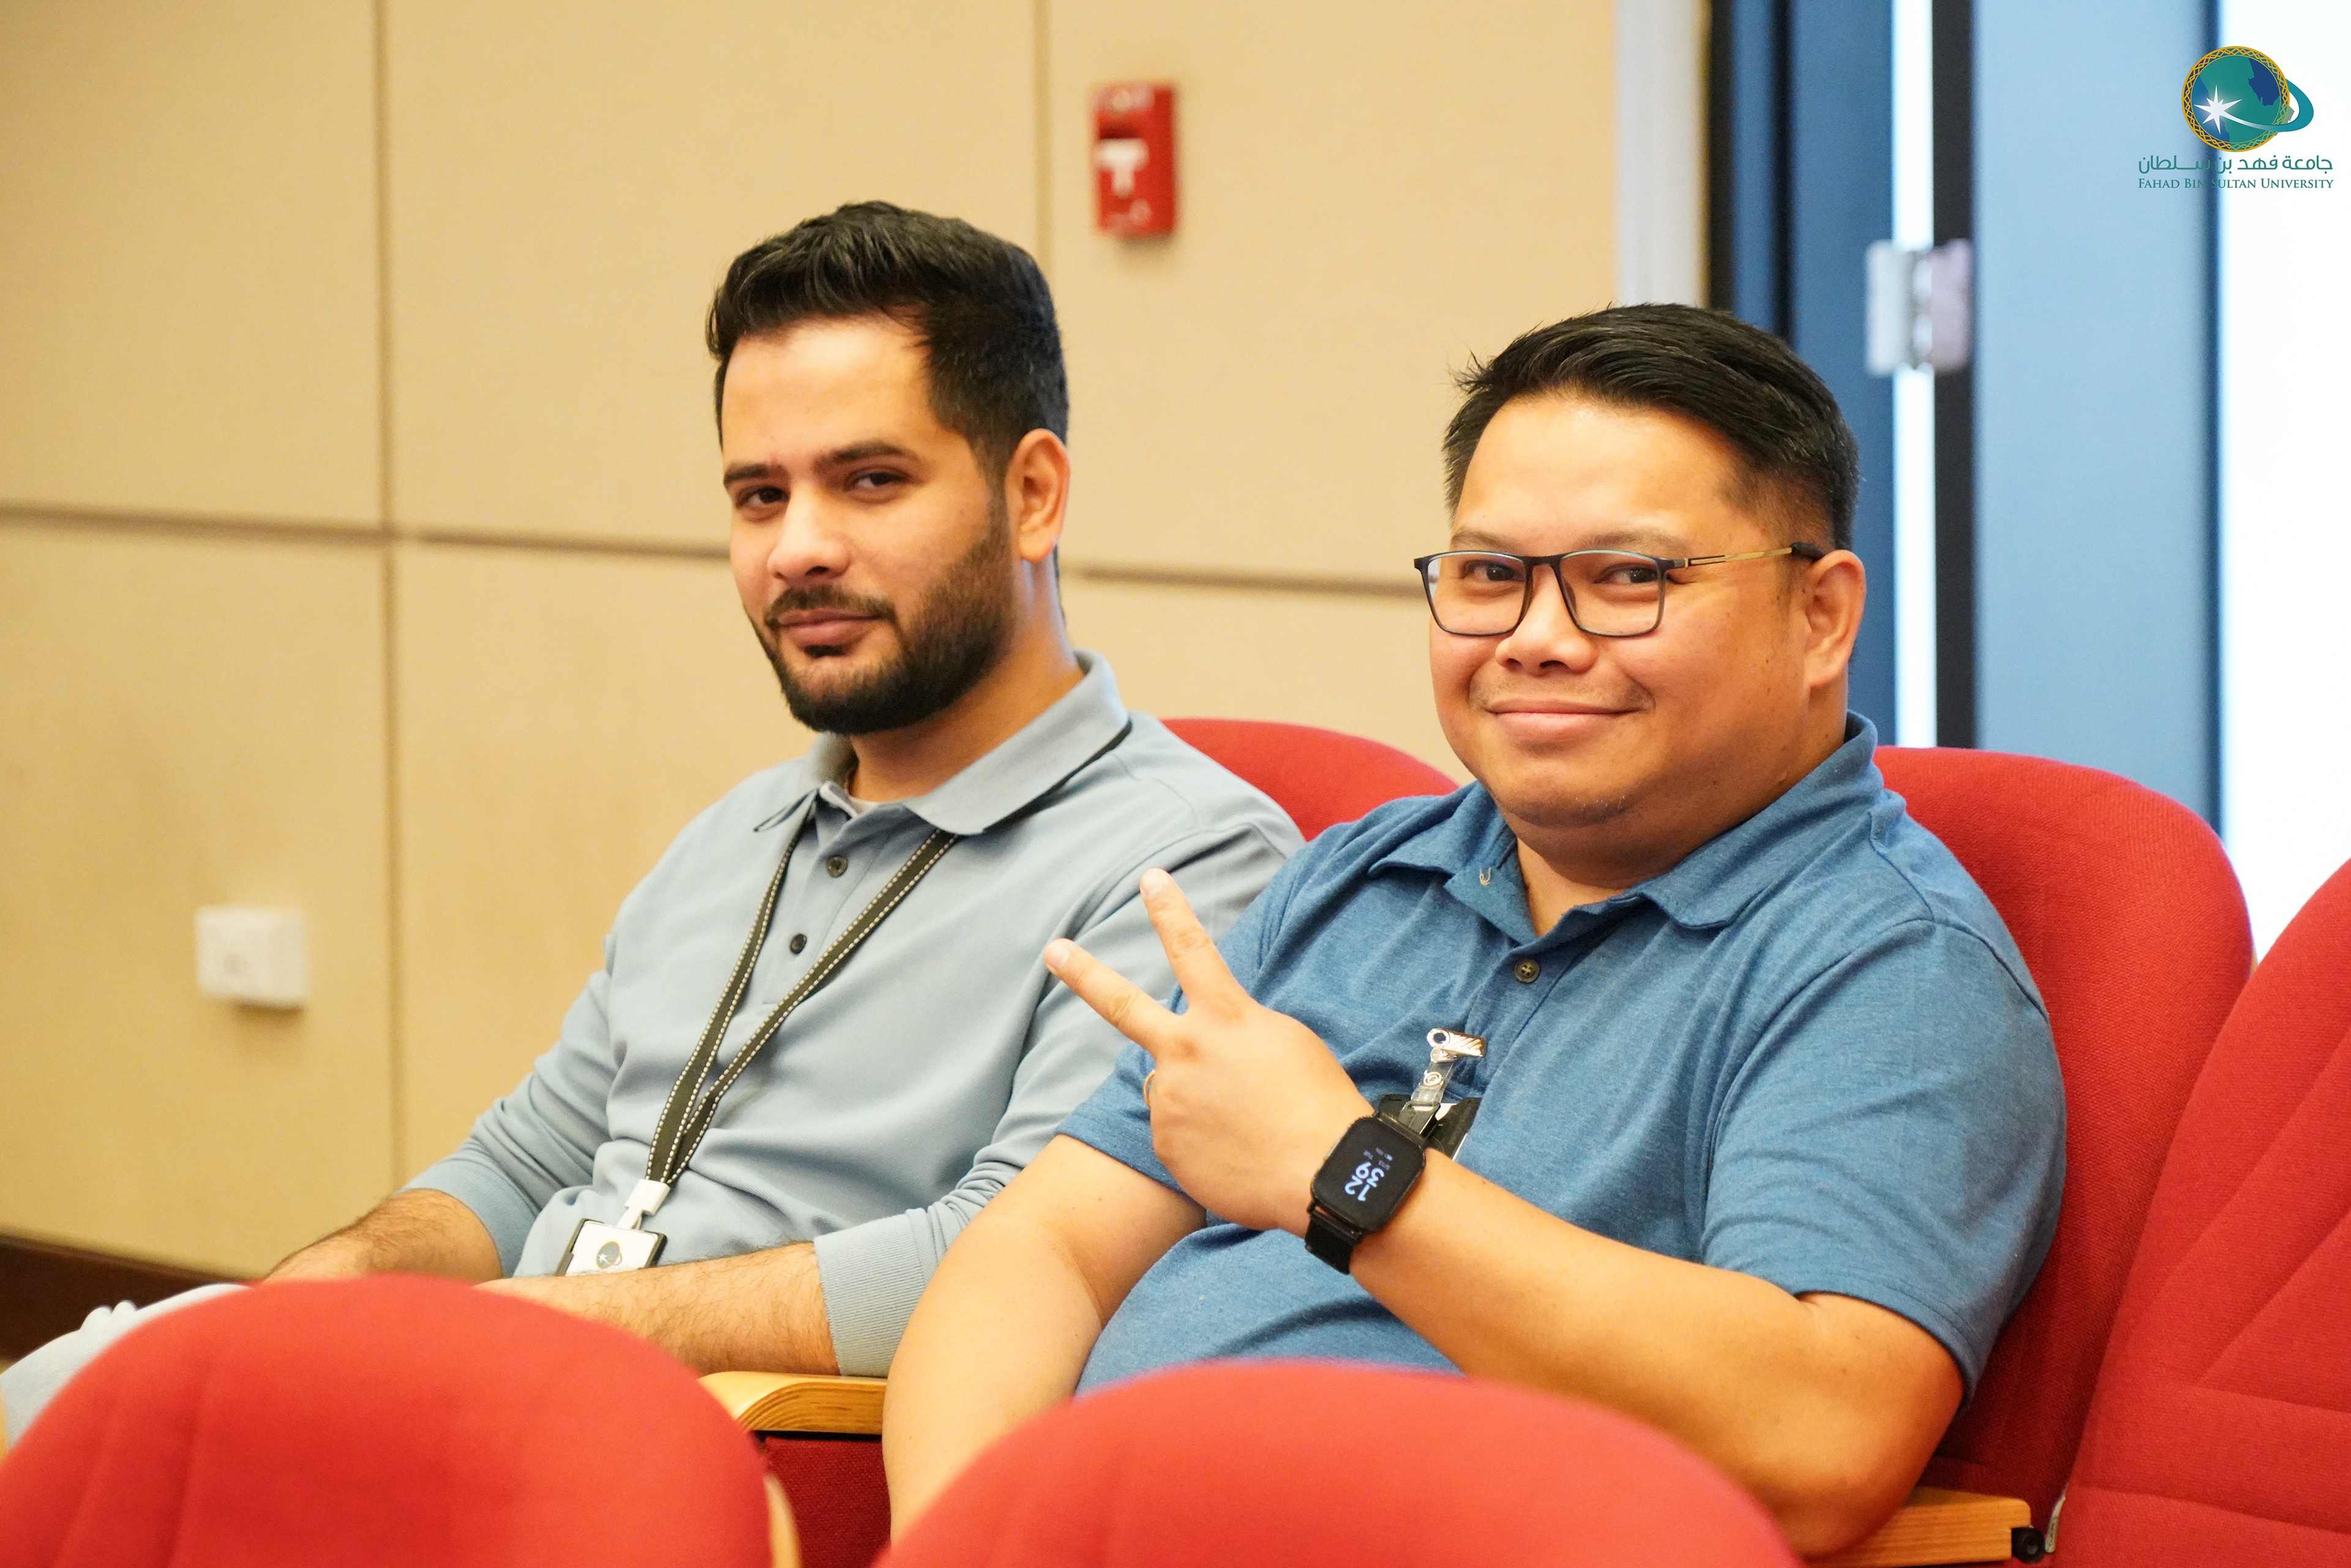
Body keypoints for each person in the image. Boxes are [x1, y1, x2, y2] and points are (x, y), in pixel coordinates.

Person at [0, 203, 1297, 1444]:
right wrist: (321, 1297)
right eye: (758, 495)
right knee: (70, 1393)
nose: (798, 548)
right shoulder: (739, 833)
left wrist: (522, 1332)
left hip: (709, 1458)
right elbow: (524, 1164)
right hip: (500, 1389)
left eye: (869, 481)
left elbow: (1011, 1262)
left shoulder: (1187, 863)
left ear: (1035, 495)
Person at [882, 304, 2064, 1559]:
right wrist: (957, 1540)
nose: (1538, 640)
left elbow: (1819, 1440)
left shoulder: (1892, 964)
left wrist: (1343, 1167)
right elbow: (1048, 1249)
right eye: (1492, 577)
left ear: (1820, 616)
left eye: (1630, 578)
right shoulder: (1360, 878)